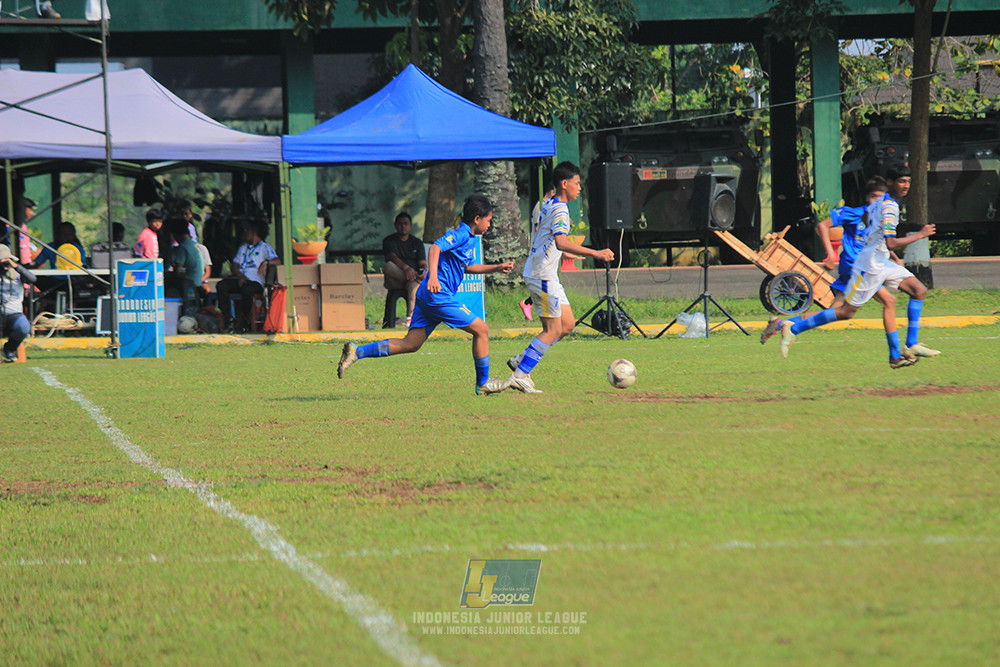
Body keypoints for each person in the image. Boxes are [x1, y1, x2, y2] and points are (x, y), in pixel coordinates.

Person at [338, 194, 514, 395]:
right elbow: (436, 248)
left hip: (430, 296)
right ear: (477, 219)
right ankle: (483, 384)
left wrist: (497, 268)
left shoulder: (470, 239)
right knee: (481, 329)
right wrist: (433, 278)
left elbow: (467, 267)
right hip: (437, 295)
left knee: (411, 344)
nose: (489, 225)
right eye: (489, 220)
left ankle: (356, 351)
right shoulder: (461, 234)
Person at [778, 161, 940, 367]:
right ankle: (793, 328)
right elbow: (891, 241)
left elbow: (877, 232)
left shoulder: (884, 204)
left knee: (918, 290)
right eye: (901, 182)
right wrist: (921, 234)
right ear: (890, 182)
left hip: (881, 262)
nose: (906, 186)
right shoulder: (888, 207)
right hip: (869, 266)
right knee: (846, 312)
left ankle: (910, 345)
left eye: (908, 181)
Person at [761, 177, 903, 359]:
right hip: (857, 267)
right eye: (874, 197)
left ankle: (782, 324)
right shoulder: (854, 213)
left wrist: (895, 257)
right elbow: (822, 225)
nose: (878, 202)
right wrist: (830, 254)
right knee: (889, 301)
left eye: (882, 198)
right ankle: (896, 354)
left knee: (839, 312)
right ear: (866, 197)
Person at [505, 162, 616, 393]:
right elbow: (560, 240)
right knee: (553, 329)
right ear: (564, 184)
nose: (580, 188)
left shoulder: (548, 204)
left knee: (567, 325)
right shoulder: (561, 209)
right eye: (577, 183)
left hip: (543, 274)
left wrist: (562, 252)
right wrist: (596, 252)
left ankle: (522, 359)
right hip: (543, 276)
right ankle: (521, 374)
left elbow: (545, 238)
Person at [215, 219, 279, 332]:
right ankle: (228, 319)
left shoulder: (264, 247)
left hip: (256, 282)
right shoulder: (243, 248)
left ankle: (245, 321)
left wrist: (266, 262)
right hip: (241, 279)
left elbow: (277, 261)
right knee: (221, 285)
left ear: (254, 231)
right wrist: (241, 276)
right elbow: (234, 266)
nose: (244, 234)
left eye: (246, 231)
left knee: (247, 290)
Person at [381, 211, 427, 327]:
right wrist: (406, 269)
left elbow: (422, 263)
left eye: (406, 223)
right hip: (395, 279)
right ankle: (416, 278)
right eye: (400, 224)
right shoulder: (389, 241)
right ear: (395, 225)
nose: (403, 226)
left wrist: (423, 270)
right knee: (389, 266)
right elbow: (392, 257)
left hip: (411, 280)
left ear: (410, 226)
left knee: (414, 286)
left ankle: (411, 320)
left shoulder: (417, 242)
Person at [519, 186, 556, 322]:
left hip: (545, 251)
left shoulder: (546, 205)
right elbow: (537, 226)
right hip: (540, 251)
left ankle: (528, 303)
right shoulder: (542, 206)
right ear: (552, 192)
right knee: (543, 281)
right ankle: (528, 303)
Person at [0, 244, 36, 363]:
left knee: (23, 327)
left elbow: (32, 279)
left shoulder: (17, 274)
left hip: (14, 313)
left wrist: (15, 266)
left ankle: (9, 349)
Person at [166, 218, 204, 315]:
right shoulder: (195, 245)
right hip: (198, 281)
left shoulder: (183, 247)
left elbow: (179, 272)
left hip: (189, 282)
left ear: (175, 234)